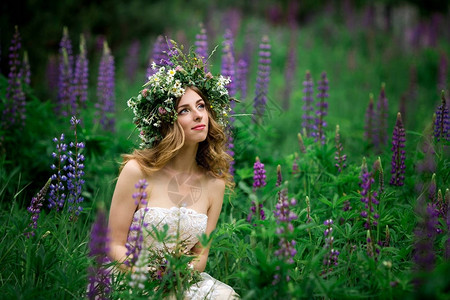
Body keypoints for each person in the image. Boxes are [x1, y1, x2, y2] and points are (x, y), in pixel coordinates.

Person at [107, 40, 239, 299]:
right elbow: (113, 244)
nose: (199, 115)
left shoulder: (215, 184)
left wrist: (174, 279)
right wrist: (145, 277)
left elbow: (200, 256)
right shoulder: (138, 171)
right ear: (167, 122)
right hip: (131, 277)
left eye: (201, 106)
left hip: (183, 282)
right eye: (184, 110)